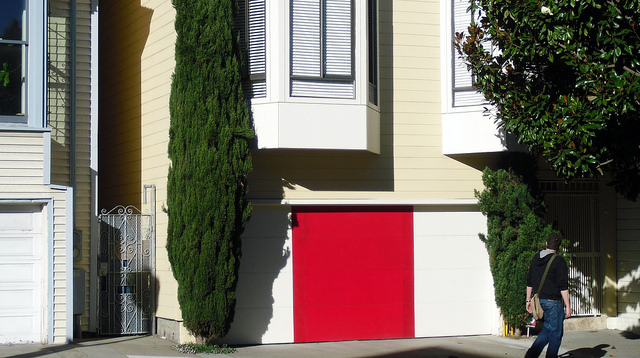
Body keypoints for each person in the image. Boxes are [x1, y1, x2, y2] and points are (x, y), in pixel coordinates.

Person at [525, 232, 572, 358]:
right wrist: (568, 306)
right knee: (556, 333)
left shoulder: (536, 258)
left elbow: (529, 281)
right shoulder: (559, 261)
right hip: (553, 302)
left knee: (547, 330)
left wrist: (528, 300)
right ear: (559, 247)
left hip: (540, 301)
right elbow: (563, 286)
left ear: (546, 244)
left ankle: (531, 355)